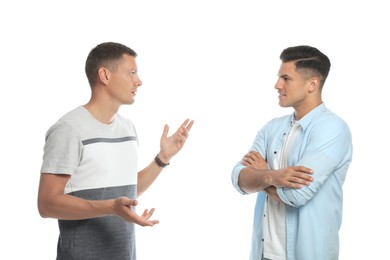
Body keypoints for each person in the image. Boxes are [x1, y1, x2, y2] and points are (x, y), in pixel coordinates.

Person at [38, 42, 194, 260]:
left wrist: (162, 159)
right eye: (131, 73)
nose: (139, 81)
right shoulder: (68, 130)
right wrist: (111, 207)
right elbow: (47, 204)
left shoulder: (128, 128)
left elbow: (127, 193)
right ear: (105, 75)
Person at [231, 45, 353, 260]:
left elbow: (298, 195)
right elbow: (238, 179)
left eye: (286, 78)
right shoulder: (271, 128)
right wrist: (274, 176)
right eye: (279, 77)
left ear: (312, 84)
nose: (277, 85)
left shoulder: (333, 129)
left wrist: (261, 176)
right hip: (262, 254)